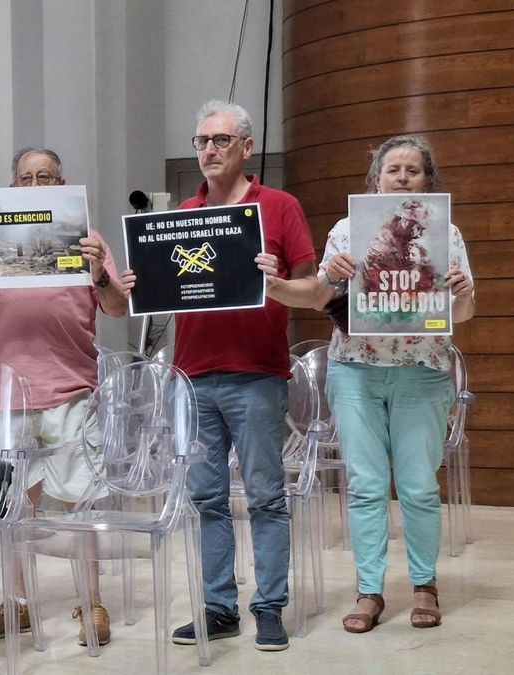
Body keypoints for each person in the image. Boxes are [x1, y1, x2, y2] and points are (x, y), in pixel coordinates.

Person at [260, 134, 475, 634]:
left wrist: (462, 294)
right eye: (392, 169)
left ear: (428, 179)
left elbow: (461, 313)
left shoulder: (448, 234)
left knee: (419, 487)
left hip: (422, 372)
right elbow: (319, 297)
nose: (402, 177)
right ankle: (369, 591)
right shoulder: (344, 232)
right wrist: (324, 277)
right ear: (376, 178)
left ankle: (425, 585)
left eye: (413, 170)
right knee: (366, 487)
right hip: (355, 371)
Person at [0, 147, 135, 646]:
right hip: (8, 394)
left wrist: (101, 273)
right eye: (27, 177)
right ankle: (16, 603)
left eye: (46, 176)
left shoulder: (87, 236)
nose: (36, 183)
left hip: (74, 388)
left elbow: (117, 309)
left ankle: (92, 603)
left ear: (61, 182)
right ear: (14, 186)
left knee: (82, 502)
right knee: (12, 505)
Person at [162, 101, 317, 652]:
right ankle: (218, 607)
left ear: (246, 148)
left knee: (266, 498)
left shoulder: (279, 207)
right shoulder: (184, 210)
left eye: (221, 140)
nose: (208, 149)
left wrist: (277, 283)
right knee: (206, 499)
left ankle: (269, 607)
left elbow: (315, 290)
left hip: (256, 375)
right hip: (194, 377)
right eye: (202, 140)